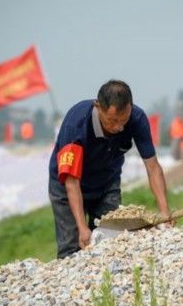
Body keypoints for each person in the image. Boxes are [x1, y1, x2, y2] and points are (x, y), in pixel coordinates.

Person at [49, 79, 172, 259]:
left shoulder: (137, 118)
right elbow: (71, 182)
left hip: (107, 182)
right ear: (98, 107)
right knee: (73, 247)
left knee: (111, 243)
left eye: (123, 120)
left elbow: (152, 166)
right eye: (112, 121)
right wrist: (82, 228)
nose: (118, 127)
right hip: (69, 184)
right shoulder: (76, 125)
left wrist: (164, 211)